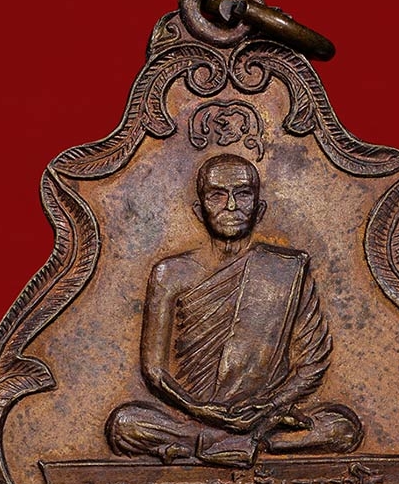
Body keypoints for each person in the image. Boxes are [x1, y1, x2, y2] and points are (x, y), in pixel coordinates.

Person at [106, 153, 362, 467]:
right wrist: (198, 409)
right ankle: (236, 443)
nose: (231, 206)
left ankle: (224, 443)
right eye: (217, 195)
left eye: (242, 194)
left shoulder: (287, 269)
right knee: (124, 425)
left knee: (343, 428)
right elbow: (155, 372)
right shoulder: (169, 274)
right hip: (193, 413)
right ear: (199, 211)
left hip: (264, 416)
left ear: (259, 208)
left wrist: (270, 406)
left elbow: (311, 364)